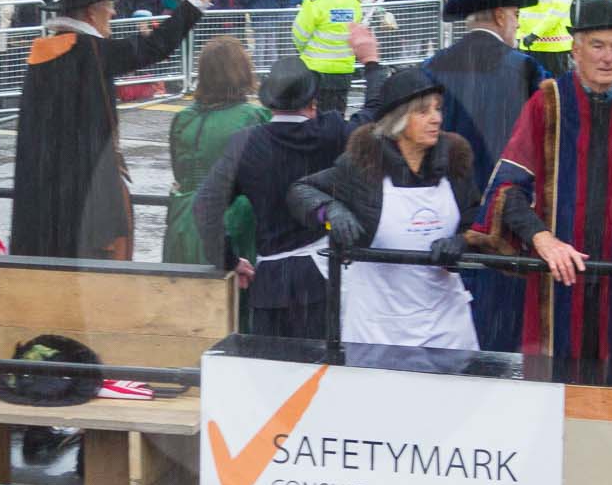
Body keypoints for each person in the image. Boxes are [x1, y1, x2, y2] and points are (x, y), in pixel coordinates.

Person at [475, 0, 612, 371]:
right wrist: (543, 240)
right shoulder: (548, 102)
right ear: (576, 49)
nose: (607, 57)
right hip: (559, 278)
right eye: (597, 45)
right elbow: (506, 188)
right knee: (554, 395)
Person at [10, 0, 238, 260]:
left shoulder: (43, 54)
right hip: (88, 201)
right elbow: (158, 45)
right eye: (109, 4)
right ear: (91, 11)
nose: (114, 11)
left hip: (46, 201)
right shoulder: (91, 52)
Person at [193, 44, 388, 339]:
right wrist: (371, 63)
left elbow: (205, 207)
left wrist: (228, 259)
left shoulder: (246, 143)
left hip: (270, 285)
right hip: (325, 277)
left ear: (271, 103)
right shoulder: (333, 131)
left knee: (274, 377)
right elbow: (375, 114)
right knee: (326, 374)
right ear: (312, 102)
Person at [289, 68, 481, 351]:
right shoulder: (362, 167)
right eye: (424, 112)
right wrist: (329, 212)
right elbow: (301, 190)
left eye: (438, 109)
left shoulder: (455, 164)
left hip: (447, 325)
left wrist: (461, 242)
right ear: (399, 120)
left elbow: (476, 221)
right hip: (378, 326)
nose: (436, 119)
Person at [424, 0, 548, 352]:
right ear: (499, 15)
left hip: (446, 215)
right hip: (506, 218)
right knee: (503, 336)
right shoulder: (525, 68)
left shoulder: (431, 68)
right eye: (515, 17)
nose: (517, 26)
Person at [162, 38, 270, 265]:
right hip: (232, 221)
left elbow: (179, 172)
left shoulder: (182, 118)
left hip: (182, 218)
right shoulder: (254, 117)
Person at [292, 0, 367, 115]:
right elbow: (357, 29)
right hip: (344, 69)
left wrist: (305, 52)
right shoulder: (352, 2)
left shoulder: (313, 4)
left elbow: (299, 34)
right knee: (338, 114)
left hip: (316, 69)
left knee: (317, 114)